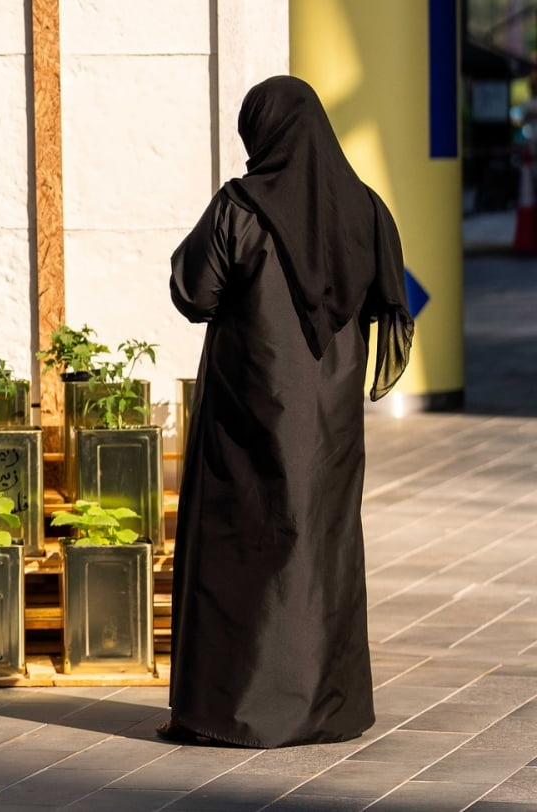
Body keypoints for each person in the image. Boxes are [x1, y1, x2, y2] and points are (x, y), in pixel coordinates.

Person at [162, 75, 414, 749]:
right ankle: (325, 711)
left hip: (246, 413)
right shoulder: (364, 208)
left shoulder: (240, 208)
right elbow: (388, 301)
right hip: (327, 424)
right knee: (319, 551)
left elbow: (194, 291)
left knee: (238, 550)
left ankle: (230, 712)